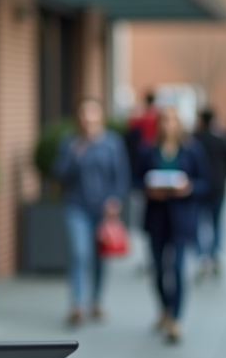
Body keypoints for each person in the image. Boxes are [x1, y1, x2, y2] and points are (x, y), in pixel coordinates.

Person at [52, 98, 130, 325]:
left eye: (92, 114)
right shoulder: (70, 142)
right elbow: (59, 173)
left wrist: (115, 199)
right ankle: (77, 304)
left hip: (103, 210)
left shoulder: (112, 143)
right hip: (76, 206)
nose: (88, 119)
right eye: (84, 114)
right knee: (79, 253)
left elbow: (121, 174)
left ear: (100, 117)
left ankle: (96, 300)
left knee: (99, 257)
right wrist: (75, 154)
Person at [137, 106, 209, 344]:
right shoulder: (147, 150)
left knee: (177, 268)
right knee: (159, 269)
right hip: (156, 217)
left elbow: (205, 182)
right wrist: (148, 190)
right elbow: (136, 180)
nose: (168, 125)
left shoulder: (192, 150)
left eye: (172, 120)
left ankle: (176, 319)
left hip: (181, 217)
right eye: (164, 121)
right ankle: (165, 309)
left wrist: (189, 188)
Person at [192, 107, 226, 280]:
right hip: (218, 186)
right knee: (217, 223)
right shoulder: (222, 140)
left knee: (198, 223)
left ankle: (201, 257)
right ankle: (215, 255)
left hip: (198, 188)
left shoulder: (194, 140)